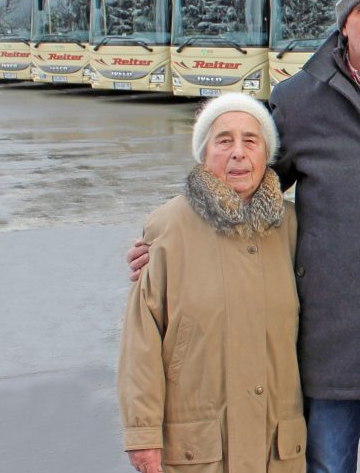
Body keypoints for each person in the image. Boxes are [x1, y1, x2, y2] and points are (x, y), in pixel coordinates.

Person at [128, 0, 360, 472]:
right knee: (325, 465)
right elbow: (243, 187)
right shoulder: (298, 99)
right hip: (327, 336)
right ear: (345, 22)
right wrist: (173, 242)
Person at [119, 94, 305, 473]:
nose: (238, 153)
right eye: (224, 141)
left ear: (266, 154)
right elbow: (142, 340)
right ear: (204, 154)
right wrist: (143, 434)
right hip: (198, 447)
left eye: (250, 141)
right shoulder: (167, 227)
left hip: (277, 444)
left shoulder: (293, 227)